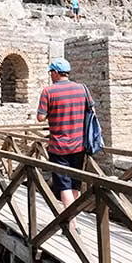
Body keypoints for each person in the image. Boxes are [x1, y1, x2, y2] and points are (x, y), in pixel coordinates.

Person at [36, 58, 89, 235]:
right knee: (75, 184)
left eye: (51, 72)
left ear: (56, 73)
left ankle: (71, 224)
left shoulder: (48, 91)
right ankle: (75, 219)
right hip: (79, 145)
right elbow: (90, 111)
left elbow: (40, 118)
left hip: (59, 146)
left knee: (64, 186)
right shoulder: (82, 89)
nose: (50, 75)